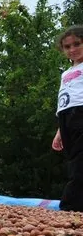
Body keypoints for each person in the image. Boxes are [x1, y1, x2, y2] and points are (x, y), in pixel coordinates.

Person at [53, 24, 83, 212]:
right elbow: (64, 100)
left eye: (77, 44)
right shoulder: (66, 73)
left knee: (81, 159)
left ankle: (70, 206)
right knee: (74, 160)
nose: (72, 49)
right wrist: (59, 132)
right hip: (66, 117)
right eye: (67, 46)